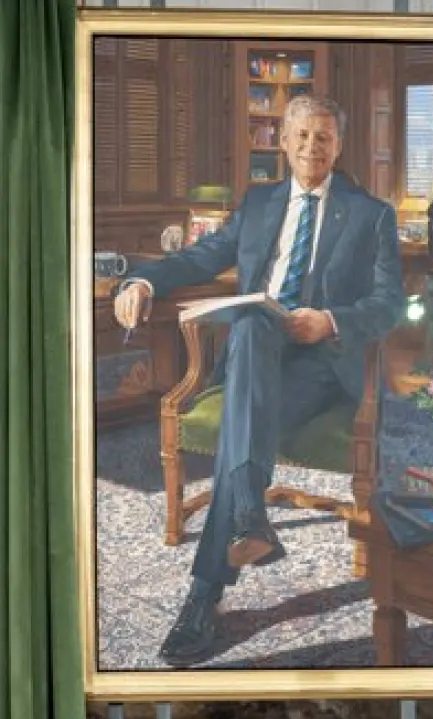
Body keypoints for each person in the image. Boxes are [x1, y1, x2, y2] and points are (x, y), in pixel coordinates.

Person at [113, 95, 404, 665]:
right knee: (248, 324)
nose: (311, 147)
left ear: (339, 145)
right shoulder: (260, 203)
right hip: (256, 355)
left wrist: (330, 320)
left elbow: (389, 304)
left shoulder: (371, 214)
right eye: (301, 136)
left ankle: (204, 594)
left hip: (321, 365)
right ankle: (248, 518)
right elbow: (200, 258)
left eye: (323, 137)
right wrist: (143, 281)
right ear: (284, 142)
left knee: (239, 429)